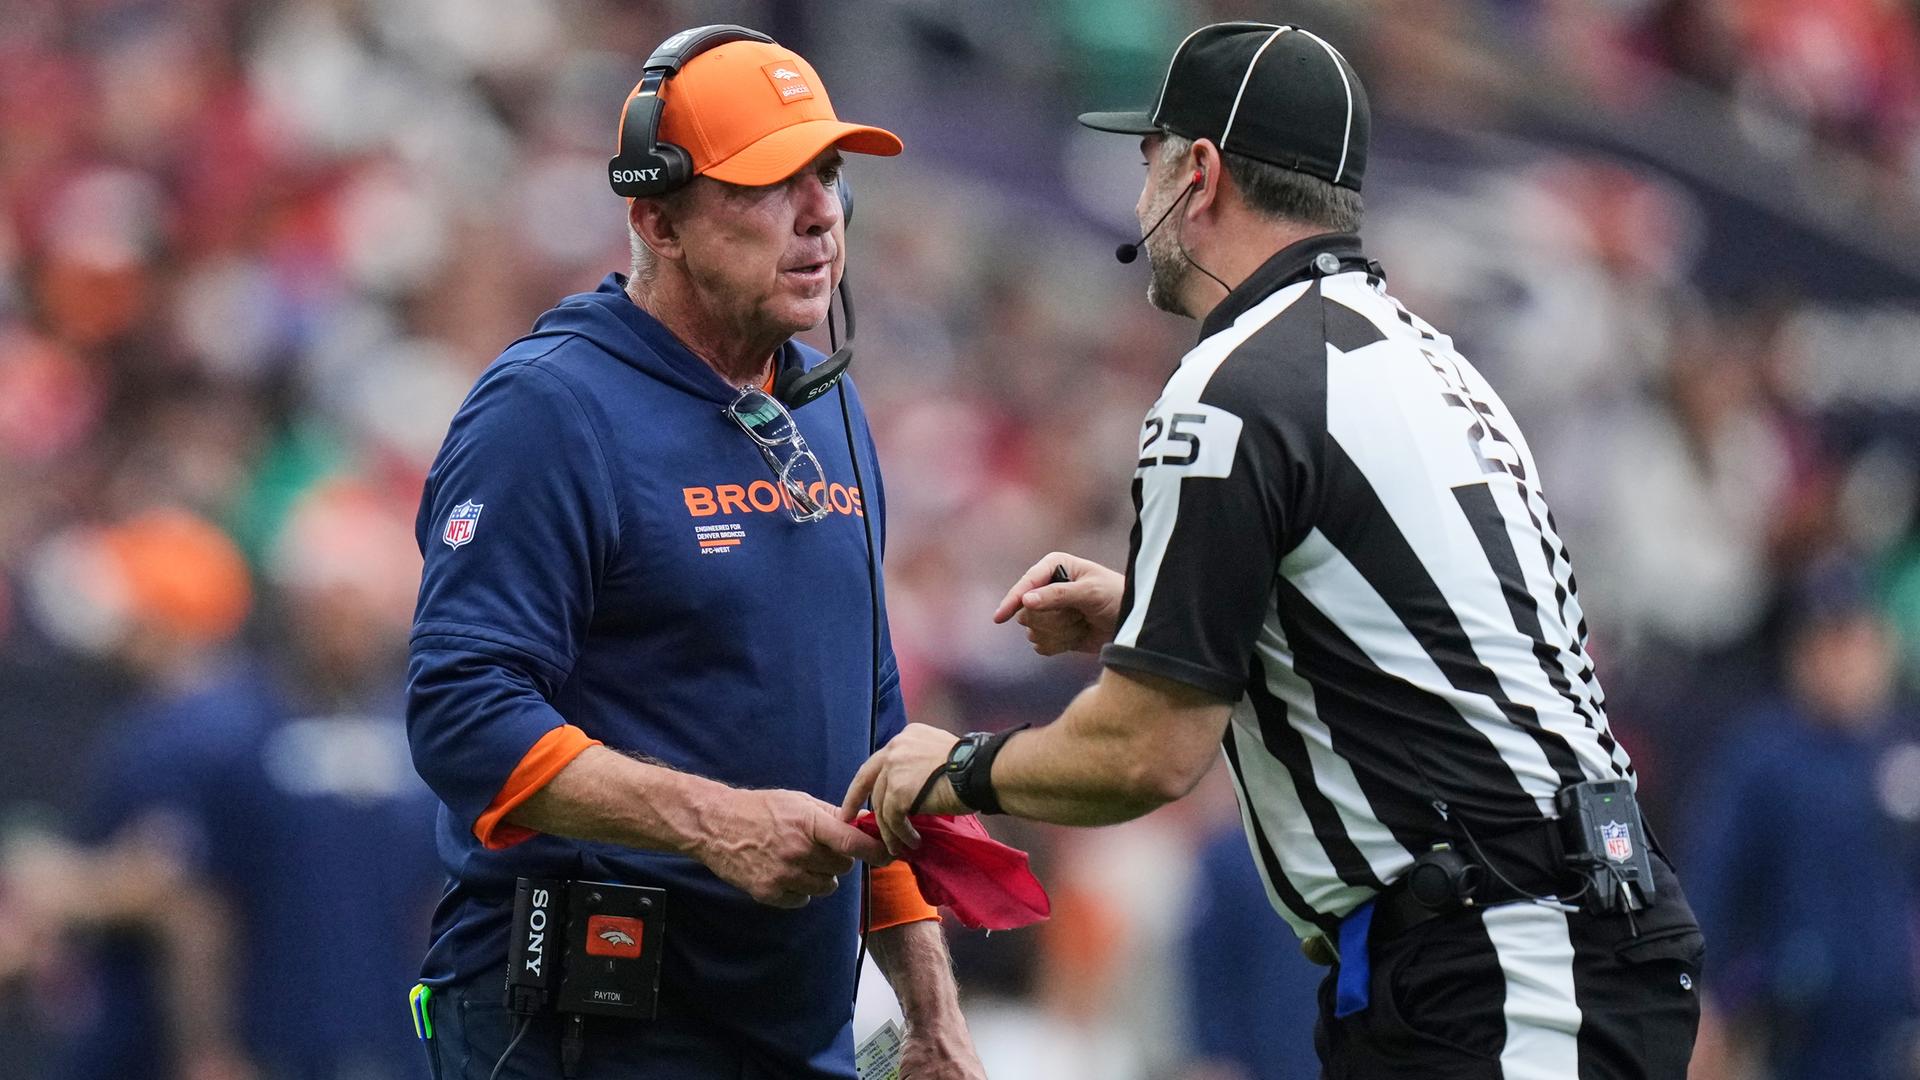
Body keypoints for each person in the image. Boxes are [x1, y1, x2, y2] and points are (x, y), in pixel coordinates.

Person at [847, 21, 1703, 1079]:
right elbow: (1417, 631)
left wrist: (952, 769)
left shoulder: (1234, 383)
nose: (1140, 197)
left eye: (1149, 159)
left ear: (1199, 175)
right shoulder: (1427, 359)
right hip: (1538, 932)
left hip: (1500, 958)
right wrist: (1156, 608)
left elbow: (1146, 754)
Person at [406, 25, 982, 1080]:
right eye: (768, 184)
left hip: (795, 1037)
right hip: (585, 1033)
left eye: (828, 175)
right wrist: (715, 824)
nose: (819, 214)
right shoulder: (549, 409)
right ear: (656, 219)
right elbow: (462, 712)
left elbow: (871, 731)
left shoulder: (830, 409)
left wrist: (929, 1014)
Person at [1684, 560, 1920, 1080]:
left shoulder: (1905, 745)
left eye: (1852, 640)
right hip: (1795, 1026)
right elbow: (1712, 881)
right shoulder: (1763, 755)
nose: (1841, 661)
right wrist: (1700, 995)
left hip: (1898, 1030)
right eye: (1825, 643)